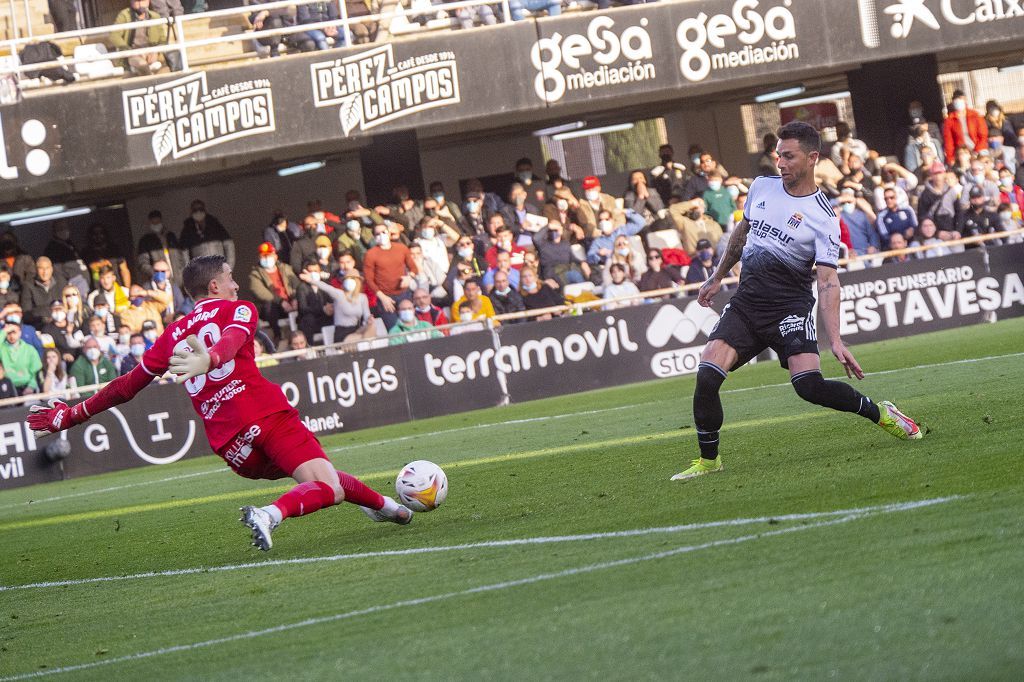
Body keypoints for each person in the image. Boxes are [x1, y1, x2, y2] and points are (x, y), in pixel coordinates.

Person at [29, 255, 413, 551]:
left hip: (233, 449)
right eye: (230, 277)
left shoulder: (171, 334)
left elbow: (127, 386)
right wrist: (212, 358)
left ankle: (387, 508)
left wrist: (71, 415)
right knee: (325, 486)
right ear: (214, 285)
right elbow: (229, 342)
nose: (235, 283)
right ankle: (269, 514)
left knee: (315, 475)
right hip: (265, 415)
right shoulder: (239, 308)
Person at [672, 121, 923, 483]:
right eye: (778, 156)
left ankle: (881, 413)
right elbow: (743, 232)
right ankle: (709, 460)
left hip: (789, 308)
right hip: (747, 304)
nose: (781, 163)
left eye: (789, 156)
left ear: (812, 158)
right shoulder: (761, 186)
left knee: (809, 387)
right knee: (707, 377)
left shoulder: (824, 217)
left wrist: (835, 339)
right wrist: (716, 276)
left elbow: (827, 281)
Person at [363, 222, 419, 330]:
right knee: (394, 329)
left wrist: (409, 277)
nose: (381, 235)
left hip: (404, 294)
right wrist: (382, 297)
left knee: (412, 326)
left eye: (384, 232)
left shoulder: (402, 248)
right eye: (378, 234)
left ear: (389, 233)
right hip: (386, 297)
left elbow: (413, 268)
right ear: (374, 237)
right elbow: (369, 280)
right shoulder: (370, 254)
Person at [300, 269, 372, 343]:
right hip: (342, 333)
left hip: (356, 329)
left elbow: (367, 314)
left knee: (371, 327)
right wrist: (310, 280)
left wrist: (369, 319)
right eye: (347, 279)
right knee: (364, 339)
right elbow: (326, 287)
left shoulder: (363, 297)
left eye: (353, 279)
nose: (350, 281)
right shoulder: (339, 294)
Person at [250, 242, 299, 344]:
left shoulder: (285, 268)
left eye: (269, 255)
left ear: (275, 256)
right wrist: (281, 301)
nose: (267, 258)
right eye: (264, 256)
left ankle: (301, 334)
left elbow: (296, 284)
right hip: (274, 307)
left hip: (290, 302)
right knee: (269, 306)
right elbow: (260, 292)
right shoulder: (255, 274)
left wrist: (294, 298)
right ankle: (278, 336)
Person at [109, 0, 168, 76]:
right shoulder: (124, 15)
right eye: (137, 1)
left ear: (148, 2)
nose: (140, 4)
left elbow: (162, 39)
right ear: (131, 2)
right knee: (141, 64)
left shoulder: (154, 16)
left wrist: (155, 51)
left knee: (165, 68)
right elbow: (114, 35)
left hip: (151, 52)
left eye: (143, 1)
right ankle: (151, 80)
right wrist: (129, 51)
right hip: (133, 53)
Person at [137, 210, 188, 284]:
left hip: (178, 280)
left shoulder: (171, 236)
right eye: (154, 223)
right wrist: (157, 273)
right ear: (150, 223)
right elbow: (143, 263)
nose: (156, 225)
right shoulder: (145, 240)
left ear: (161, 221)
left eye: (157, 222)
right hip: (160, 282)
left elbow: (181, 257)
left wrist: (182, 272)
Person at [180, 200, 235, 268]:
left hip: (219, 269)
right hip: (201, 273)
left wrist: (229, 267)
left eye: (200, 209)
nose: (198, 211)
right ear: (191, 212)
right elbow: (184, 254)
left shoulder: (215, 224)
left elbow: (229, 245)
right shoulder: (187, 229)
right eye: (195, 210)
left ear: (205, 210)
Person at [942, 90, 988, 165]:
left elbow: (983, 136)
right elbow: (948, 141)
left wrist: (976, 150)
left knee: (984, 160)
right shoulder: (949, 120)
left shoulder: (975, 115)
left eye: (961, 99)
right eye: (956, 99)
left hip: (978, 147)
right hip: (961, 151)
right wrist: (950, 158)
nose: (959, 101)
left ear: (965, 100)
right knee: (963, 161)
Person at [21, 256, 67, 327]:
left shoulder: (61, 281)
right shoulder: (28, 286)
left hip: (62, 323)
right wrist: (46, 315)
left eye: (47, 268)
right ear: (36, 270)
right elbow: (27, 313)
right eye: (41, 268)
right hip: (41, 325)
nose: (45, 272)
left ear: (51, 269)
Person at [1, 320, 41, 394]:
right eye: (8, 333)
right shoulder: (2, 348)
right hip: (7, 387)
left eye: (14, 332)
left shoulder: (30, 349)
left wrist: (31, 386)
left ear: (20, 332)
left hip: (27, 387)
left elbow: (36, 372)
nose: (11, 336)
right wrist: (4, 331)